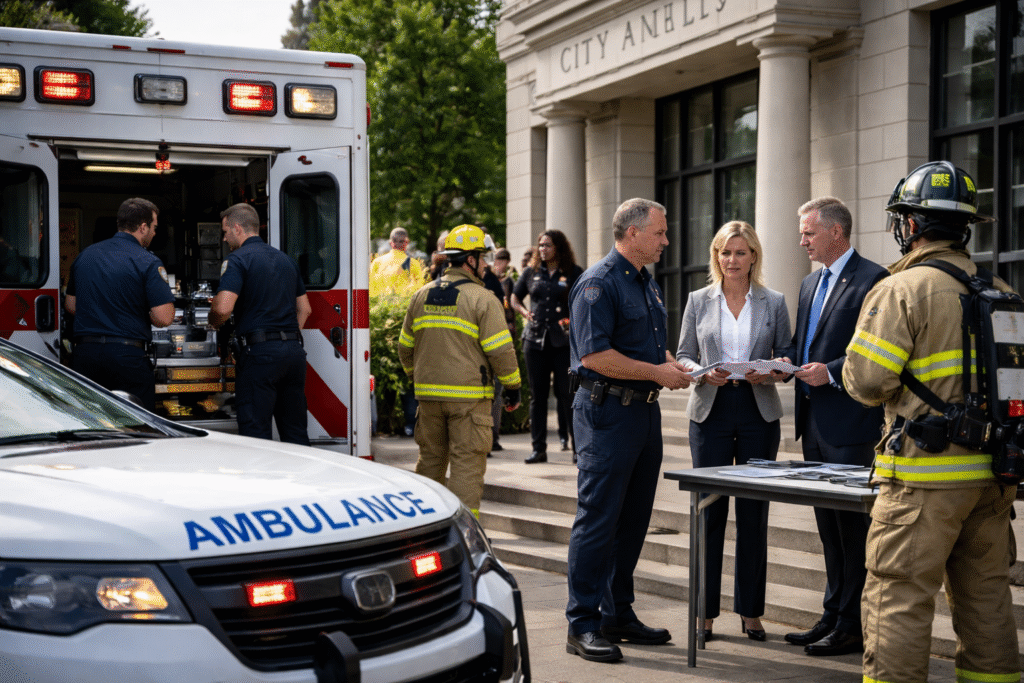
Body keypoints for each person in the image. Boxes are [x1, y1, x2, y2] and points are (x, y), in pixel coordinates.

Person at [843, 161, 1020, 683]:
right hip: (993, 480)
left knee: (897, 597)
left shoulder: (903, 289)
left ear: (913, 226)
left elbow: (867, 381)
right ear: (964, 226)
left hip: (923, 480)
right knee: (987, 599)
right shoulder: (1001, 289)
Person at [565, 198, 693, 663]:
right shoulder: (598, 284)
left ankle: (618, 613)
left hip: (641, 414)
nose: (665, 241)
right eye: (659, 233)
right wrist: (658, 373)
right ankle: (582, 623)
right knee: (599, 519)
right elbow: (595, 357)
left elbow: (645, 351)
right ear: (632, 233)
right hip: (607, 414)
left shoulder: (644, 283)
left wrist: (674, 367)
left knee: (633, 521)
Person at [770, 197, 888, 656]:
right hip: (813, 425)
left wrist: (832, 370)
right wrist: (787, 362)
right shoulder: (808, 284)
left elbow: (873, 350)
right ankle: (833, 612)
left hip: (851, 422)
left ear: (836, 232)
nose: (801, 241)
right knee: (828, 528)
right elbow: (806, 344)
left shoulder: (873, 280)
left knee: (852, 529)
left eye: (808, 233)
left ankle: (854, 625)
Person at [675, 221, 791, 643]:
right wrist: (701, 374)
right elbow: (685, 353)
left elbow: (788, 352)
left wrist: (773, 370)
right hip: (712, 409)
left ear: (754, 256)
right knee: (709, 514)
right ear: (716, 256)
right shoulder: (697, 300)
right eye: (725, 252)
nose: (732, 260)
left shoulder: (774, 301)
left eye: (741, 252)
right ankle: (704, 616)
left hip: (759, 411)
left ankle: (751, 612)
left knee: (754, 514)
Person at [398, 224, 522, 516]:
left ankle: (425, 530)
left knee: (429, 464)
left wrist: (418, 378)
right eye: (482, 258)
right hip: (468, 400)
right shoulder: (483, 299)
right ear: (469, 260)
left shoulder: (421, 295)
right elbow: (501, 351)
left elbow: (405, 347)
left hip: (428, 398)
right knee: (467, 467)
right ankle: (467, 537)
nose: (485, 264)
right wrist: (513, 387)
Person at [209, 203, 312, 445]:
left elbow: (223, 308)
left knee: (256, 434)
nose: (224, 238)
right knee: (295, 432)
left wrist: (213, 322)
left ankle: (261, 482)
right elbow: (305, 309)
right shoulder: (286, 260)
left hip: (259, 356)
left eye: (225, 232)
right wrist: (285, 337)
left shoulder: (237, 260)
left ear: (237, 228)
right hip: (293, 354)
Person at [65, 197, 174, 411]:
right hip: (127, 357)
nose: (154, 233)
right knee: (136, 422)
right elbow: (164, 317)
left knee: (89, 420)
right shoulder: (148, 261)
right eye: (153, 227)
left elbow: (71, 305)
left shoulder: (85, 256)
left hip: (86, 355)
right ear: (142, 227)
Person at [511, 230, 584, 463]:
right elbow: (514, 297)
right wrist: (524, 312)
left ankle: (577, 449)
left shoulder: (573, 272)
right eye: (540, 245)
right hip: (534, 340)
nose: (542, 249)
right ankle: (538, 449)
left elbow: (585, 301)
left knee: (567, 395)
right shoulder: (531, 272)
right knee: (537, 397)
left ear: (559, 248)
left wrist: (576, 320)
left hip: (563, 342)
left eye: (548, 245)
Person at [368, 227, 426, 297]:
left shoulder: (377, 262)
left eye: (400, 241)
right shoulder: (413, 263)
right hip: (403, 305)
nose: (398, 243)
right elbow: (419, 289)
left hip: (381, 304)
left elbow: (370, 287)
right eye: (395, 240)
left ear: (390, 242)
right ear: (407, 242)